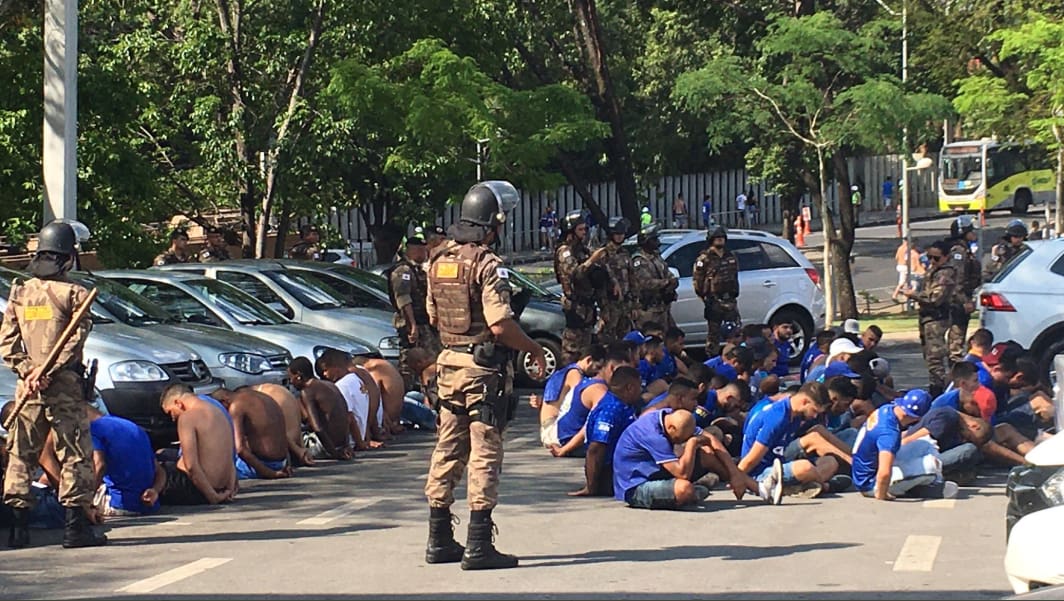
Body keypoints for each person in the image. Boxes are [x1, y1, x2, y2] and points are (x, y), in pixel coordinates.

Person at [423, 180, 546, 570]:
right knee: (485, 452)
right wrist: (532, 348)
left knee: (447, 449)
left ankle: (439, 538)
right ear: (493, 223)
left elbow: (431, 315)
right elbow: (499, 325)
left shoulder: (439, 260)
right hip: (482, 371)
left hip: (448, 366)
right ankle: (478, 544)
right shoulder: (487, 264)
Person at [0, 221, 106, 549]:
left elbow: (6, 342)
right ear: (68, 258)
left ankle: (18, 529)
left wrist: (28, 371)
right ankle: (76, 529)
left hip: (27, 386)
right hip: (63, 387)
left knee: (22, 454)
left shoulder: (19, 292)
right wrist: (48, 371)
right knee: (74, 452)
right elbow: (74, 342)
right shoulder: (75, 295)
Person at [612, 408, 764, 510]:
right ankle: (692, 494)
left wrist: (735, 474)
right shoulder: (652, 435)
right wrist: (691, 444)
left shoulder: (669, 416)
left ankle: (760, 489)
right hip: (636, 486)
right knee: (684, 488)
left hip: (657, 471)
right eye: (680, 438)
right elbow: (682, 474)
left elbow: (710, 438)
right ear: (671, 429)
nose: (681, 442)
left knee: (707, 454)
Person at [738, 382, 840, 500]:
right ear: (805, 402)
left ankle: (795, 487)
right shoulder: (777, 418)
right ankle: (823, 486)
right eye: (814, 411)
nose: (815, 416)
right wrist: (737, 477)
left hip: (778, 462)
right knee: (805, 467)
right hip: (760, 472)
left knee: (830, 461)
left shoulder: (795, 415)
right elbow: (751, 458)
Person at [852, 390, 955, 500]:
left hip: (869, 465)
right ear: (918, 417)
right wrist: (883, 495)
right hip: (871, 483)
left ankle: (931, 480)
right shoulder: (889, 433)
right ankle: (924, 484)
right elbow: (884, 473)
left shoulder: (886, 409)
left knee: (926, 442)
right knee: (931, 465)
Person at [569, 366, 643, 497]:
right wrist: (591, 486)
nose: (641, 391)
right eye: (639, 386)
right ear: (630, 388)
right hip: (612, 472)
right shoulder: (610, 410)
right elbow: (595, 448)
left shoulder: (624, 404)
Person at [158, 385, 238, 505]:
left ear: (178, 403)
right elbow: (229, 454)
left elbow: (191, 466)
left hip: (198, 489)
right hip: (221, 486)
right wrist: (229, 489)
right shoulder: (218, 412)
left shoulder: (188, 418)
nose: (173, 418)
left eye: (171, 412)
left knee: (156, 470)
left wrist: (212, 496)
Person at [86, 406, 166, 517]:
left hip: (119, 504)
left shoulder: (93, 429)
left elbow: (99, 465)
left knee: (70, 501)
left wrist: (86, 503)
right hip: (149, 504)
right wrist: (155, 491)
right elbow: (160, 471)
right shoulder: (132, 426)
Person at [386, 233, 441, 390]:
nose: (424, 253)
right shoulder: (402, 270)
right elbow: (404, 300)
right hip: (413, 324)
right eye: (421, 250)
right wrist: (412, 326)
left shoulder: (417, 270)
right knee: (411, 363)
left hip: (424, 323)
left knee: (428, 359)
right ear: (412, 250)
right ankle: (407, 392)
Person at [902, 240, 956, 397]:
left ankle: (942, 393)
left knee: (936, 360)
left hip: (937, 320)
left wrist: (914, 295)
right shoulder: (934, 270)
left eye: (936, 258)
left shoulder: (946, 273)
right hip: (927, 319)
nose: (932, 261)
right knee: (930, 359)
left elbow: (935, 298)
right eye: (929, 257)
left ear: (946, 257)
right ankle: (936, 389)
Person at [554, 210, 606, 364]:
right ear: (571, 231)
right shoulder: (565, 252)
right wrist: (592, 260)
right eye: (580, 229)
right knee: (572, 352)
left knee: (587, 351)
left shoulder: (582, 250)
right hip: (575, 307)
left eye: (585, 229)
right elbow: (576, 274)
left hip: (588, 307)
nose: (584, 233)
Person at [212, 387, 291, 480]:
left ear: (224, 402)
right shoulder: (262, 397)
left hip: (266, 465)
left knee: (214, 473)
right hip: (281, 462)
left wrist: (271, 474)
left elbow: (240, 450)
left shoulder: (236, 406)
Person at [902, 406, 989, 486]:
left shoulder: (952, 423)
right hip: (911, 457)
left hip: (921, 456)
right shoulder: (948, 417)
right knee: (969, 449)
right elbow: (916, 437)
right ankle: (924, 475)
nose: (965, 440)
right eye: (969, 437)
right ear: (974, 426)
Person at [287, 357, 352, 461]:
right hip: (343, 444)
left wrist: (334, 453)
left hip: (326, 447)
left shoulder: (308, 391)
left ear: (299, 376)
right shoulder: (330, 385)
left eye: (291, 378)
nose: (291, 382)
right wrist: (346, 446)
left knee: (289, 440)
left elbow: (317, 428)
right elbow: (346, 417)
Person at [316, 350, 382, 451]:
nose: (324, 374)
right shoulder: (357, 380)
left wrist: (359, 443)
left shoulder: (343, 386)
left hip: (349, 441)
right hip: (359, 437)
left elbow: (349, 417)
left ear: (335, 367)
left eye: (326, 370)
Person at [693, 225, 740, 358]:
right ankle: (712, 361)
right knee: (714, 337)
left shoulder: (730, 256)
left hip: (730, 300)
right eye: (717, 237)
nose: (720, 240)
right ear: (711, 239)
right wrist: (705, 298)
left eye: (722, 237)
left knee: (735, 333)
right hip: (714, 301)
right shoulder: (704, 258)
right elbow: (698, 281)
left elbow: (735, 276)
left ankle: (734, 360)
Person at [946, 215, 983, 365]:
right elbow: (958, 280)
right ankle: (955, 374)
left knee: (959, 337)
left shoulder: (965, 249)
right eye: (971, 230)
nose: (973, 233)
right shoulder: (959, 252)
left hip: (961, 299)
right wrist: (965, 301)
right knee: (956, 342)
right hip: (957, 302)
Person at [252, 382, 315, 466]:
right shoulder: (282, 392)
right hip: (297, 447)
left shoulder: (258, 402)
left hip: (285, 452)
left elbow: (278, 432)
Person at [631, 222, 678, 332]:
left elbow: (668, 273)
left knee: (670, 337)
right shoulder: (639, 260)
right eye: (653, 239)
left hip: (663, 309)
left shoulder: (657, 257)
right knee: (650, 341)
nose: (657, 242)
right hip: (649, 310)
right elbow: (645, 283)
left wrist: (673, 282)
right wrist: (666, 283)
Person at [598, 217, 636, 342]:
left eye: (622, 234)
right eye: (617, 234)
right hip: (610, 304)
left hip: (625, 303)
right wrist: (603, 308)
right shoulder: (603, 254)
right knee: (608, 340)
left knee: (625, 339)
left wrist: (634, 302)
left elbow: (632, 277)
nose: (620, 237)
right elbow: (600, 283)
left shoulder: (624, 252)